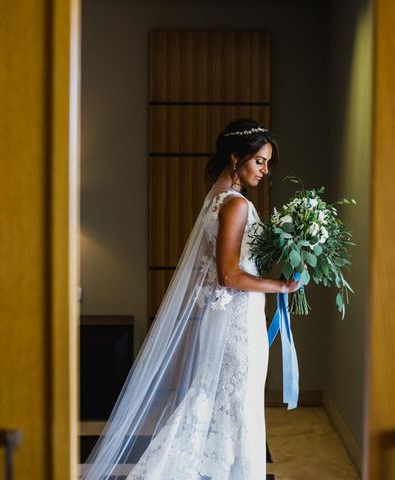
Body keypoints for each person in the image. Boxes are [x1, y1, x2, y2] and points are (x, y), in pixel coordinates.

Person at [80, 118, 303, 479]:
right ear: (235, 158)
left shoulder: (217, 199)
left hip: (230, 321)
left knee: (220, 405)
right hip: (237, 329)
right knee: (235, 407)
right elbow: (228, 275)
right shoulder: (236, 205)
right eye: (259, 161)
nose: (265, 170)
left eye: (266, 163)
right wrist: (281, 287)